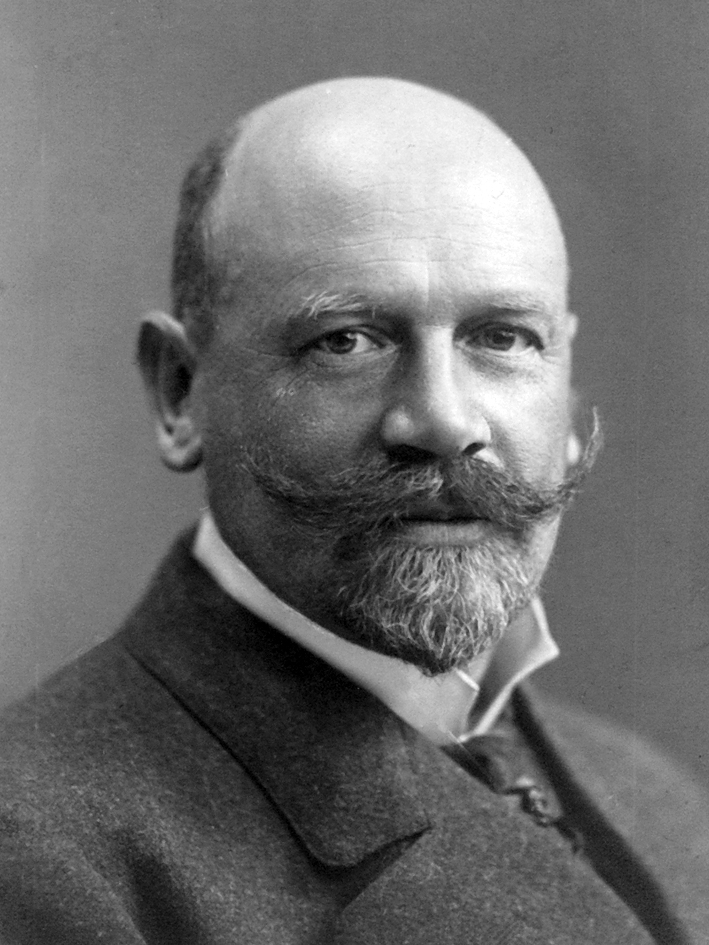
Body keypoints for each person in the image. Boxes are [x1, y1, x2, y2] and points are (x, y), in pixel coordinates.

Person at [1, 77, 707, 945]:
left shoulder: (660, 802)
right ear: (181, 391)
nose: (444, 421)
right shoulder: (41, 857)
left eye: (502, 337)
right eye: (346, 341)